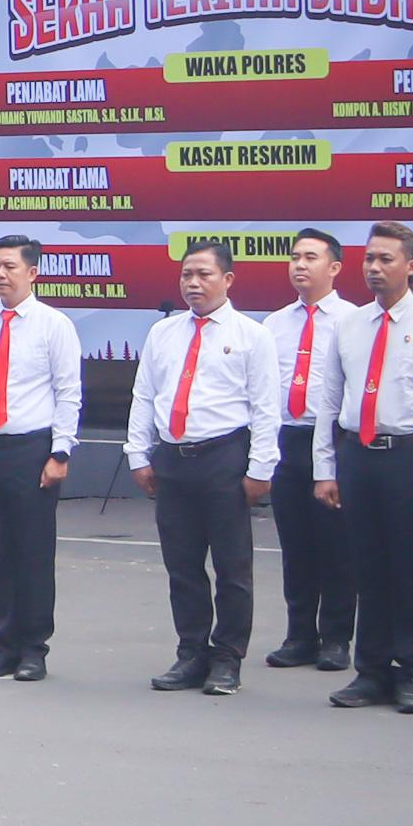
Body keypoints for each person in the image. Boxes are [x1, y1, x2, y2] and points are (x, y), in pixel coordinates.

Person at [311, 222, 413, 712]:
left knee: (411, 567)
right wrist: (325, 468)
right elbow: (329, 398)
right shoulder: (349, 325)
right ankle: (371, 670)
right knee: (367, 567)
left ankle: (412, 671)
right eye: (369, 259)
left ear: (412, 267)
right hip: (358, 455)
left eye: (386, 260)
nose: (374, 268)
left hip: (409, 456)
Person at [125, 243, 277, 693]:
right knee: (183, 566)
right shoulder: (164, 333)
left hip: (224, 458)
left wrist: (260, 468)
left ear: (227, 280)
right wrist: (140, 454)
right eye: (186, 274)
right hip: (173, 459)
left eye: (204, 275)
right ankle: (191, 652)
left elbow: (266, 407)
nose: (193, 283)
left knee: (232, 568)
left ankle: (228, 657)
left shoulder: (253, 335)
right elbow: (145, 395)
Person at [0, 236, 81, 680]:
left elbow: (68, 393)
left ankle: (33, 649)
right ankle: (4, 645)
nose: (0, 275)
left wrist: (60, 451)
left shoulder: (53, 325)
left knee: (33, 552)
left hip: (32, 449)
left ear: (33, 273)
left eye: (9, 266)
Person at [261, 230, 357, 670]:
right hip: (287, 438)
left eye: (311, 257)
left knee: (336, 545)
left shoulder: (354, 320)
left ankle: (337, 637)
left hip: (334, 439)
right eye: (295, 257)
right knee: (296, 544)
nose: (300, 265)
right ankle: (300, 634)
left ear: (334, 268)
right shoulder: (274, 324)